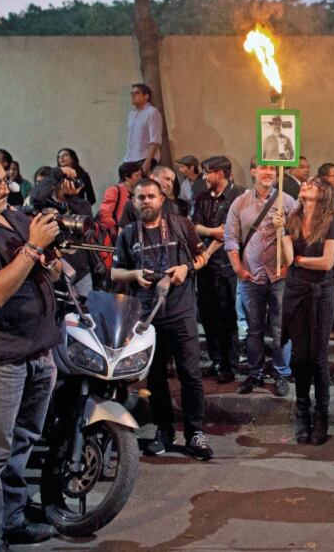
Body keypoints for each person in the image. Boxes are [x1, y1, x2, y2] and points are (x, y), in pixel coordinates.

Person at [0, 159, 64, 549]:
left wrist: (50, 258)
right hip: (0, 356)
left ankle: (13, 519)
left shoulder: (17, 219)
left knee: (22, 444)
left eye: (6, 181)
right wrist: (34, 246)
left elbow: (46, 271)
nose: (6, 190)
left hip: (39, 350)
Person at [111, 177, 213, 460]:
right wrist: (133, 275)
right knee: (155, 379)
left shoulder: (181, 225)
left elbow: (202, 257)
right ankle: (164, 431)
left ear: (162, 199)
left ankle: (195, 433)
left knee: (190, 375)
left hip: (181, 312)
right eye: (140, 197)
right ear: (134, 201)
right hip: (147, 317)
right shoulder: (128, 234)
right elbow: (114, 273)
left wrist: (186, 268)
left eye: (151, 197)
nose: (146, 201)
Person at [225, 157, 298, 397]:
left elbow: (300, 236)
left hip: (279, 276)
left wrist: (285, 226)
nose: (269, 172)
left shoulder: (287, 202)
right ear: (253, 170)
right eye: (264, 167)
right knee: (254, 329)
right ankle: (254, 373)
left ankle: (281, 374)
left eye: (273, 168)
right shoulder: (240, 202)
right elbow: (230, 238)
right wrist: (237, 268)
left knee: (280, 329)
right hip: (250, 275)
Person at [281, 176, 334, 444]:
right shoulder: (290, 220)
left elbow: (327, 262)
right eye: (305, 182)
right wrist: (281, 234)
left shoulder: (331, 223)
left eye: (313, 183)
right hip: (296, 293)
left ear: (324, 193)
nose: (306, 184)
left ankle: (322, 415)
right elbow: (287, 260)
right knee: (300, 357)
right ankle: (302, 413)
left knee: (318, 357)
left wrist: (301, 260)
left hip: (320, 294)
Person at [193, 155, 245, 382]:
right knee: (207, 315)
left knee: (227, 317)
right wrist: (212, 231)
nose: (204, 177)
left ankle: (229, 364)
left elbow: (230, 232)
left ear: (220, 173)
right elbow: (194, 226)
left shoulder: (239, 196)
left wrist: (209, 245)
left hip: (227, 266)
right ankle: (215, 361)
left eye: (208, 172)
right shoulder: (202, 197)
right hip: (205, 268)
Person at [29, 166, 96, 296]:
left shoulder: (80, 204)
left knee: (86, 311)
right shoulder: (43, 206)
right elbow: (36, 197)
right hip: (57, 270)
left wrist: (67, 196)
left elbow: (86, 226)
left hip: (81, 270)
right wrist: (57, 173)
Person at [118, 164, 187, 225]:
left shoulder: (174, 206)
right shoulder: (133, 203)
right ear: (153, 177)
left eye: (172, 182)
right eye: (167, 179)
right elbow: (122, 232)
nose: (169, 184)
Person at [123, 83, 163, 176]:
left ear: (146, 96)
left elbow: (155, 139)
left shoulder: (152, 112)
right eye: (132, 93)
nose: (133, 96)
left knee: (143, 187)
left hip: (144, 158)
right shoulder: (131, 114)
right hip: (129, 159)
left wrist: (148, 162)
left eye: (136, 93)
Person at [97, 161, 142, 240]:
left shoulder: (139, 192)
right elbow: (105, 213)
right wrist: (113, 231)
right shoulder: (115, 190)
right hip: (117, 234)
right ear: (127, 177)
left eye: (140, 175)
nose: (140, 178)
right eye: (137, 175)